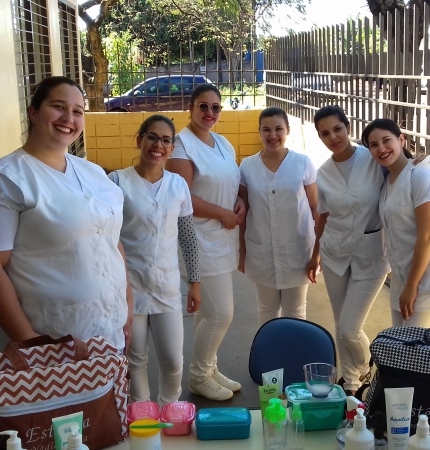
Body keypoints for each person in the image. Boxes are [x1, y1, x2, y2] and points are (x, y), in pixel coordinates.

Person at [0, 76, 133, 352]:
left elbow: (111, 240)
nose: (69, 118)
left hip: (109, 334)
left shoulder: (93, 172)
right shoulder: (2, 180)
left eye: (78, 111)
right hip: (50, 344)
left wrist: (127, 304)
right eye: (58, 107)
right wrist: (31, 343)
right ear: (33, 112)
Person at [108, 115, 201, 406]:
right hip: (129, 288)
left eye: (165, 140)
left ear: (171, 148)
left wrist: (195, 282)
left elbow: (188, 237)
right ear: (139, 140)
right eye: (152, 137)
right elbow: (106, 238)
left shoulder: (178, 185)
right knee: (135, 359)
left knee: (173, 360)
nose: (158, 145)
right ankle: (142, 414)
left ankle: (170, 410)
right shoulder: (116, 182)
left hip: (167, 287)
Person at [165, 84, 246, 401]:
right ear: (190, 107)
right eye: (203, 106)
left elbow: (230, 182)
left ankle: (209, 369)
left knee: (207, 313)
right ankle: (199, 376)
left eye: (215, 107)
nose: (209, 113)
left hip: (223, 236)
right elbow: (181, 196)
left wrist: (239, 201)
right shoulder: (181, 145)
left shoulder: (223, 143)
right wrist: (223, 213)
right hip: (197, 239)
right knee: (221, 314)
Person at [311, 105, 390, 396]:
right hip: (334, 253)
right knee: (339, 322)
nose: (333, 137)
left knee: (349, 327)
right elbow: (323, 216)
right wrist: (315, 254)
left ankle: (367, 363)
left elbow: (405, 174)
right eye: (325, 133)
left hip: (372, 254)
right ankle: (351, 382)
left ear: (348, 127)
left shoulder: (373, 159)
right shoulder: (323, 173)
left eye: (337, 129)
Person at [364, 118, 430, 327]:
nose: (381, 148)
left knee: (412, 345)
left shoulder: (421, 176)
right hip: (403, 277)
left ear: (401, 140)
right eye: (374, 145)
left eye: (386, 140)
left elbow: (428, 234)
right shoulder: (387, 183)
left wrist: (411, 286)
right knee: (400, 344)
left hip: (428, 278)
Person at [238, 107, 318, 326]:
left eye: (278, 129)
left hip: (298, 252)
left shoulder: (302, 163)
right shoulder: (247, 167)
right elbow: (244, 211)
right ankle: (269, 349)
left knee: (295, 310)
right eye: (266, 129)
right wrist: (242, 252)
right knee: (267, 309)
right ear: (259, 132)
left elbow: (315, 209)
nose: (272, 135)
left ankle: (293, 350)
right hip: (261, 251)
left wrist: (317, 254)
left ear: (287, 130)